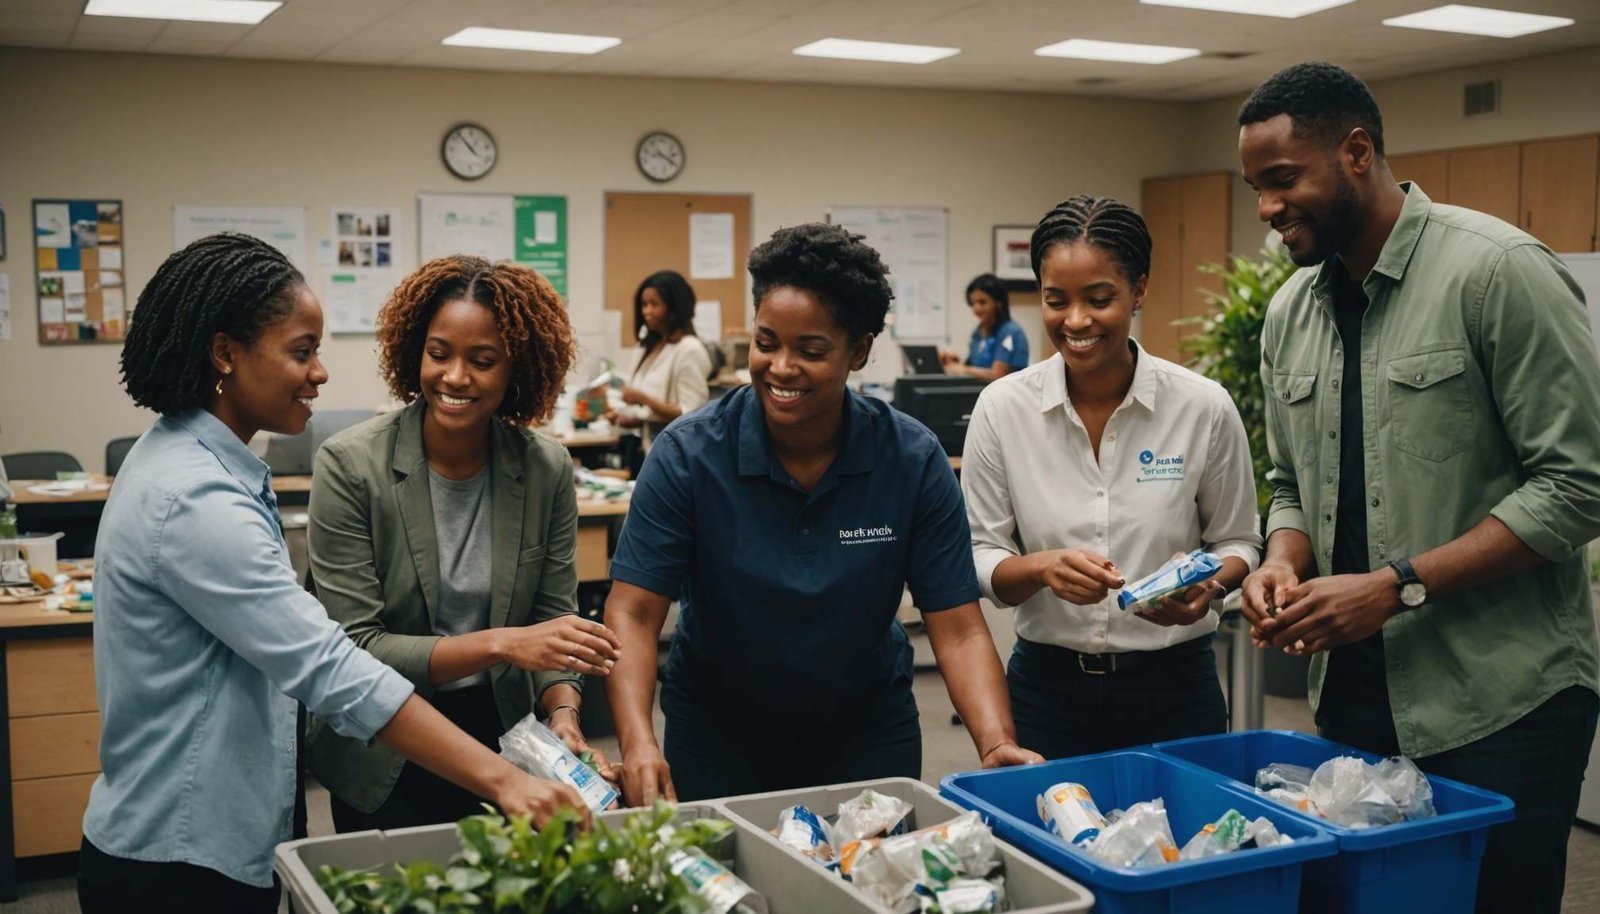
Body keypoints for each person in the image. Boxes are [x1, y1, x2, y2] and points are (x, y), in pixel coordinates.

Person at [80, 234, 584, 914]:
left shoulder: (198, 467)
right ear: (226, 354)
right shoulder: (194, 499)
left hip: (218, 831)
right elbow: (331, 664)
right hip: (180, 851)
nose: (319, 374)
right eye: (301, 351)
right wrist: (505, 781)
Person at [1236, 62, 1600, 913]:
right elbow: (1291, 482)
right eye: (1255, 187)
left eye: (1282, 180)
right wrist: (1280, 561)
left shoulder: (1497, 271)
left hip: (1502, 701)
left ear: (1357, 152)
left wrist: (1398, 586)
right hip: (1356, 698)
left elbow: (1581, 483)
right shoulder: (1292, 312)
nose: (1265, 207)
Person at [604, 223, 1043, 805]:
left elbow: (958, 627)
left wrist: (994, 742)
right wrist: (637, 743)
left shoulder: (909, 458)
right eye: (766, 343)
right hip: (718, 730)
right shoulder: (688, 454)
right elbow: (633, 613)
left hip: (865, 729)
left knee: (867, 886)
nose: (781, 368)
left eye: (810, 351)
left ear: (858, 350)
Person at [307, 256, 623, 833]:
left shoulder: (544, 466)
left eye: (482, 361)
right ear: (414, 352)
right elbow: (354, 647)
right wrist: (505, 644)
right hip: (385, 735)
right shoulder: (351, 465)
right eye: (439, 354)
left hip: (504, 733)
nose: (455, 377)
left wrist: (564, 715)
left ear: (516, 370)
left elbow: (553, 617)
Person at [962, 197, 1262, 760]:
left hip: (1177, 689)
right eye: (1056, 301)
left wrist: (1211, 587)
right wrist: (1040, 568)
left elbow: (1240, 539)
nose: (1075, 321)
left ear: (1138, 291)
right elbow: (979, 552)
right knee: (1047, 843)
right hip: (1047, 691)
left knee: (1187, 842)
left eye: (1099, 299)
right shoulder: (1003, 409)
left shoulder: (1202, 407)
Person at [605, 270, 712, 453]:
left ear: (674, 307)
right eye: (644, 304)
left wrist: (642, 398)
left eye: (654, 304)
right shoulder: (648, 346)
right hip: (649, 448)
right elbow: (652, 414)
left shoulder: (689, 349)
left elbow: (693, 416)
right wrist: (627, 418)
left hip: (678, 452)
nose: (647, 311)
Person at [940, 273, 1030, 380]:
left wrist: (964, 369)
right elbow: (975, 369)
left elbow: (998, 375)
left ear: (998, 303)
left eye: (982, 302)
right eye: (973, 303)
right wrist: (955, 362)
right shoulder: (977, 332)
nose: (976, 309)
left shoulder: (1009, 332)